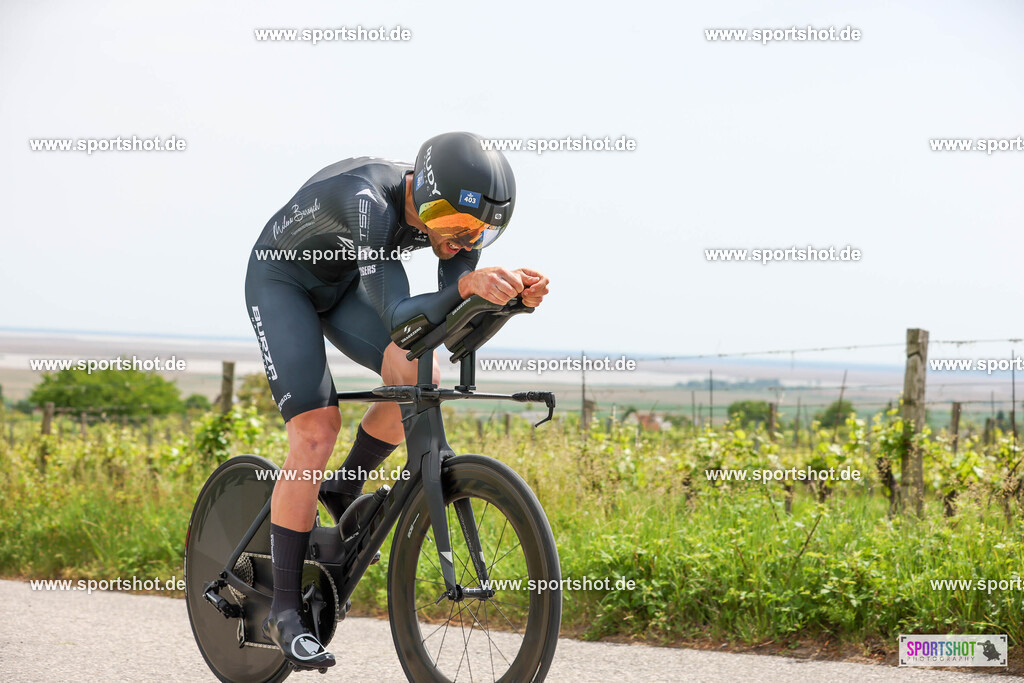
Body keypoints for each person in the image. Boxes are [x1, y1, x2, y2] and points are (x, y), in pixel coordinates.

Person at [243, 131, 550, 668]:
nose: (464, 241)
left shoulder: (454, 216)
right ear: (426, 195)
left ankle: (343, 488)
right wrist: (466, 288)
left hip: (345, 285)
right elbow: (400, 315)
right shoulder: (368, 202)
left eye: (481, 233)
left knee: (419, 369)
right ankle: (284, 612)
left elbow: (449, 332)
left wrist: (508, 301)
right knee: (316, 431)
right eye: (456, 227)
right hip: (284, 280)